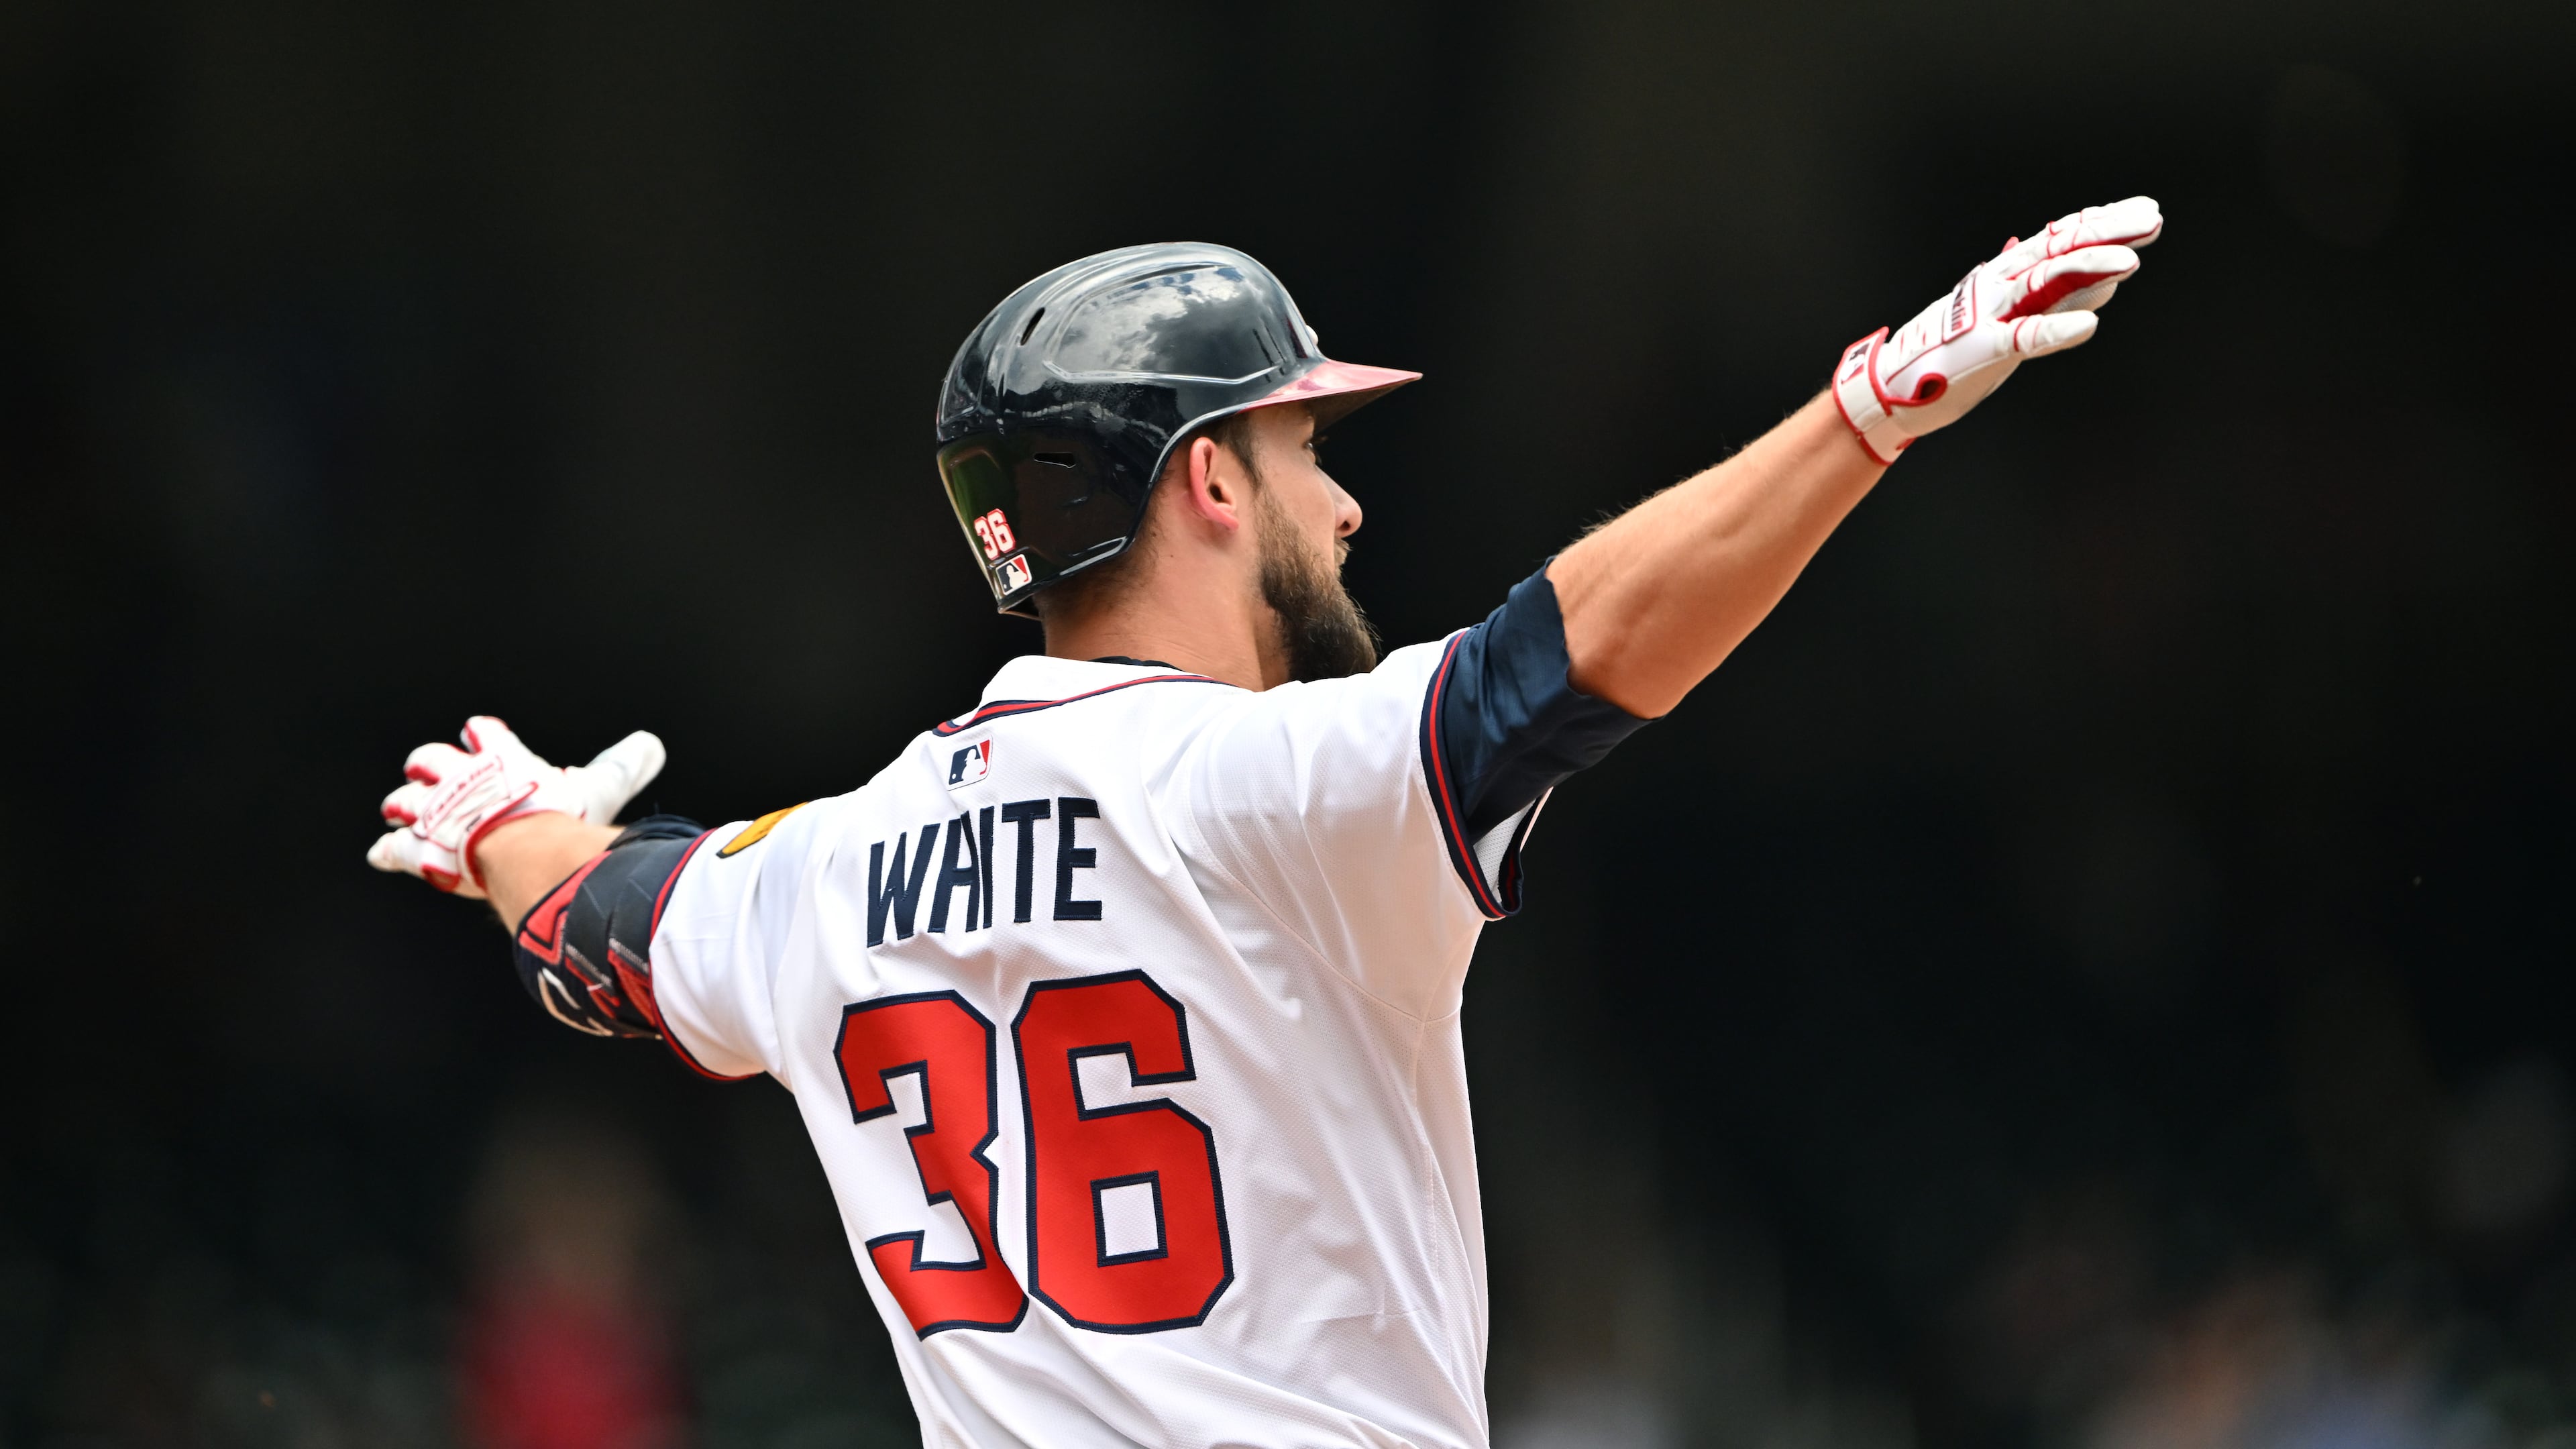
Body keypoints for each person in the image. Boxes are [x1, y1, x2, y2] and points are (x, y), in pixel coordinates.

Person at [369, 200, 2165, 1448]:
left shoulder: (823, 870)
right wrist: (1858, 422)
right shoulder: (1267, 790)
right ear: (1209, 480)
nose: (1351, 503)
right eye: (1310, 452)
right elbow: (1571, 655)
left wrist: (503, 825)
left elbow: (598, 927)